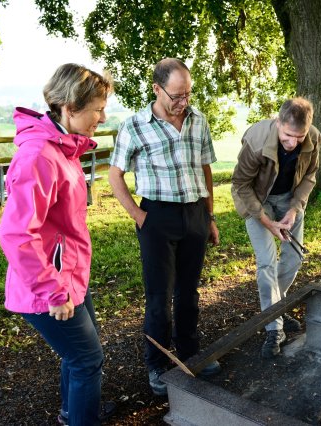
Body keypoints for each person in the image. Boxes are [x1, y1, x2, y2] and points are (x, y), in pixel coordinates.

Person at [0, 64, 116, 425]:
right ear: (70, 107)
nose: (102, 117)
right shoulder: (39, 156)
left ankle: (73, 411)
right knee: (87, 360)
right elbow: (17, 234)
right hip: (50, 285)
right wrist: (53, 290)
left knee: (79, 356)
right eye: (97, 109)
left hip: (69, 275)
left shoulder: (63, 148)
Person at [108, 58, 221, 397]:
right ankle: (157, 364)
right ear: (157, 89)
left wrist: (210, 216)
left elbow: (205, 169)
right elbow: (115, 175)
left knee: (189, 292)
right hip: (157, 216)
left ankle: (189, 352)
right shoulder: (134, 126)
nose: (183, 101)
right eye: (176, 95)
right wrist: (139, 216)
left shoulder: (199, 120)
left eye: (188, 94)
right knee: (159, 297)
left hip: (195, 214)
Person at [231, 97, 321, 358]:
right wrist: (266, 221)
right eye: (287, 136)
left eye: (299, 137)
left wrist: (294, 209)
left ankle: (276, 307)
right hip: (257, 201)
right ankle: (274, 328)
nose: (293, 143)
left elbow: (309, 177)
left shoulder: (314, 138)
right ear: (278, 122)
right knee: (267, 263)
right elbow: (241, 184)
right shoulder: (256, 140)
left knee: (294, 257)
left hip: (289, 199)